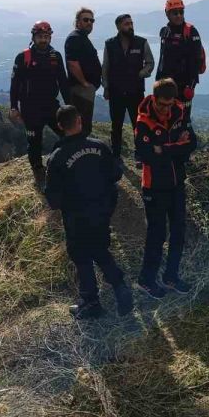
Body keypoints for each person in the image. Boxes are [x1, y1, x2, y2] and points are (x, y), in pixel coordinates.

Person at [44, 105, 134, 320]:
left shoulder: (56, 157)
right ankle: (121, 288)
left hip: (76, 217)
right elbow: (115, 175)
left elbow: (53, 200)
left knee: (81, 256)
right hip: (102, 212)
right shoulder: (100, 147)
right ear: (80, 121)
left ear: (59, 126)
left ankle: (91, 302)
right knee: (101, 250)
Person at [134, 78, 197, 297]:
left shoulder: (180, 112)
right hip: (154, 187)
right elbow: (146, 155)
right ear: (154, 98)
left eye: (169, 104)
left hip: (177, 183)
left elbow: (192, 143)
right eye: (162, 104)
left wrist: (165, 148)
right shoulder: (143, 121)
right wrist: (177, 147)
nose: (165, 109)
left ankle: (171, 277)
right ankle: (146, 280)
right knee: (157, 235)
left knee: (179, 232)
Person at [10, 21, 70, 182]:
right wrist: (14, 107)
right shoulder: (24, 57)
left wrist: (70, 105)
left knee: (66, 134)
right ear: (34, 37)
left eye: (46, 36)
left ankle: (66, 164)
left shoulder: (55, 56)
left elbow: (63, 82)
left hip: (51, 106)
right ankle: (38, 170)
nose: (43, 40)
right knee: (34, 141)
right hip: (30, 108)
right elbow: (15, 84)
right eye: (40, 37)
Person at [101, 14, 154, 158]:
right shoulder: (109, 44)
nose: (130, 26)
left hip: (135, 91)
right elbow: (105, 67)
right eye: (126, 24)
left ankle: (140, 154)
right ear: (118, 26)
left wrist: (141, 73)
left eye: (131, 23)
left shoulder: (141, 42)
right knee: (116, 125)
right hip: (115, 91)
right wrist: (106, 87)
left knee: (139, 124)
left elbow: (150, 62)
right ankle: (116, 155)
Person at [155, 0, 205, 120]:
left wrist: (191, 86)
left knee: (182, 120)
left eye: (181, 12)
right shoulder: (165, 31)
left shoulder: (190, 31)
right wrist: (158, 81)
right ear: (167, 14)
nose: (178, 15)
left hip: (183, 86)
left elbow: (196, 60)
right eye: (174, 12)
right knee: (164, 119)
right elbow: (162, 58)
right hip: (165, 85)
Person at [64, 7, 102, 136]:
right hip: (80, 90)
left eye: (92, 20)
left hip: (85, 89)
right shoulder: (75, 38)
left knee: (84, 123)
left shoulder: (82, 37)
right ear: (77, 22)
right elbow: (72, 64)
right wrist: (85, 84)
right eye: (86, 19)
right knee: (81, 125)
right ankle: (80, 152)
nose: (89, 22)